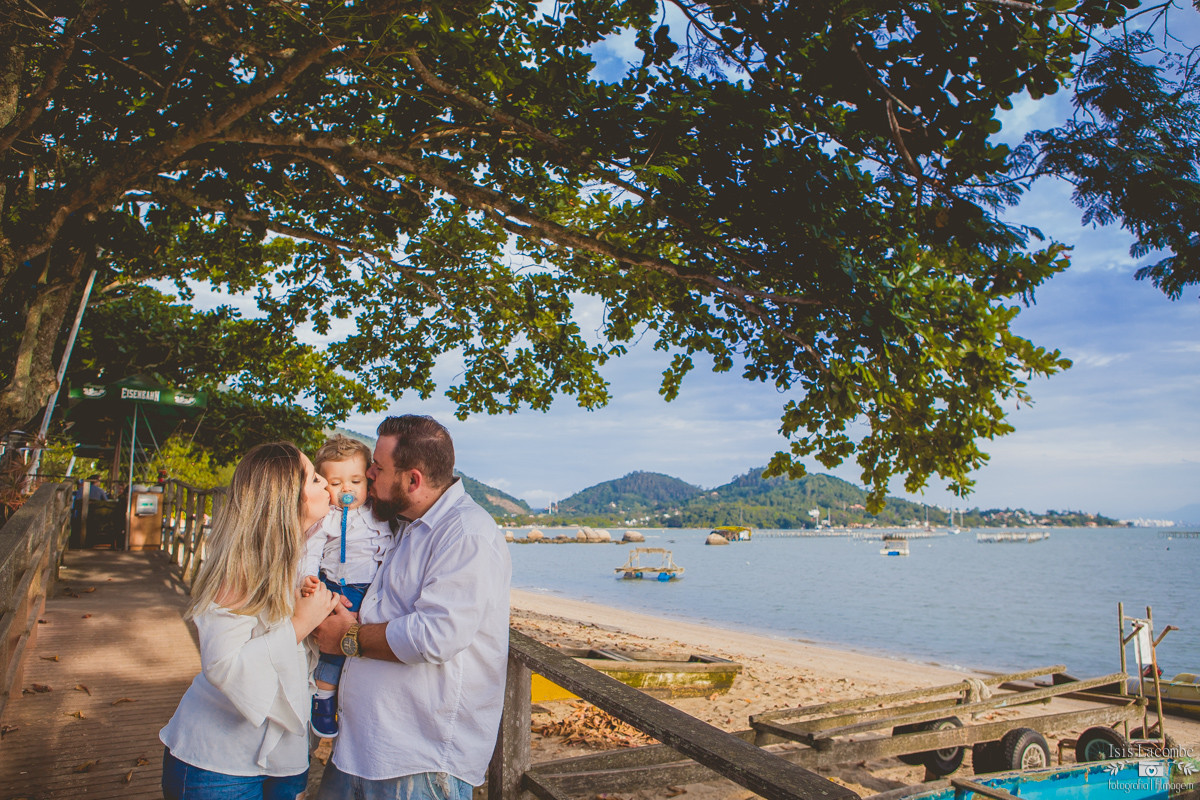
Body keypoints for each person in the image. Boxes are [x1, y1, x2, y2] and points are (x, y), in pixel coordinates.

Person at [313, 415, 512, 800]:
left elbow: (434, 637)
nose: (368, 473)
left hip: (417, 762)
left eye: (378, 467)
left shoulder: (465, 534)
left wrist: (346, 637)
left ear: (413, 480)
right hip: (360, 749)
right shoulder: (406, 523)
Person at [159, 442, 342, 800]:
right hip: (218, 763)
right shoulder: (242, 567)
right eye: (313, 478)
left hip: (287, 758)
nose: (325, 483)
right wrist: (300, 624)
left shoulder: (305, 559)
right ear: (287, 498)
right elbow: (222, 665)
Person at [300, 434, 394, 738]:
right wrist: (308, 577)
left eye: (355, 481)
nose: (347, 489)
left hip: (375, 589)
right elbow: (311, 550)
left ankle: (354, 701)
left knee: (370, 643)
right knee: (335, 646)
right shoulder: (326, 518)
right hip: (341, 588)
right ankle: (323, 699)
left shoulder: (379, 513)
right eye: (336, 483)